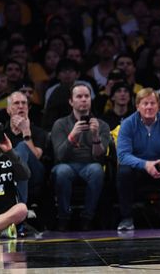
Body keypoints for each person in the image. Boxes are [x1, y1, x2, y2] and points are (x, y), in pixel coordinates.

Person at [116, 88, 160, 230]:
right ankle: (126, 219)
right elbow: (123, 155)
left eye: (152, 103)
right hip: (137, 169)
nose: (149, 107)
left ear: (158, 105)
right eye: (145, 103)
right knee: (123, 171)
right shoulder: (128, 124)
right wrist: (145, 164)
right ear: (137, 106)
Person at [50, 82, 111, 231]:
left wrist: (96, 137)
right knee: (62, 171)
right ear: (71, 101)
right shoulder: (60, 124)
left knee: (97, 170)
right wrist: (72, 136)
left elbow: (99, 157)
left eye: (87, 96)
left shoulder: (102, 125)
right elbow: (60, 156)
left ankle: (87, 218)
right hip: (66, 164)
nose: (84, 99)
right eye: (79, 96)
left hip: (90, 164)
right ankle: (63, 217)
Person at [4, 92, 46, 207]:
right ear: (8, 110)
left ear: (28, 108)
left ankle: (20, 206)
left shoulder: (39, 132)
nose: (21, 106)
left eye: (24, 103)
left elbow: (37, 156)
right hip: (7, 174)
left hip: (34, 174)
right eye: (16, 103)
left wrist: (26, 133)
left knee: (23, 146)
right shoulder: (3, 134)